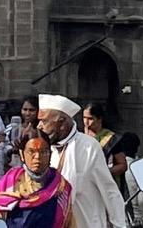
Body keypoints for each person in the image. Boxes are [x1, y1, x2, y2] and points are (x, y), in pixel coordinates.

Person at [37, 95, 125, 228]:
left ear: (62, 123)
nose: (39, 126)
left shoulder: (89, 147)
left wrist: (119, 225)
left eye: (44, 121)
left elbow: (109, 191)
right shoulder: (44, 149)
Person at [0, 131, 73, 228]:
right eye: (31, 152)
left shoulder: (60, 187)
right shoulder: (8, 183)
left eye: (43, 152)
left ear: (50, 154)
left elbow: (69, 222)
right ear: (22, 154)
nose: (37, 157)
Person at [82, 105, 125, 181]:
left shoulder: (111, 138)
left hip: (102, 182)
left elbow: (122, 165)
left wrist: (104, 173)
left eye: (90, 119)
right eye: (84, 118)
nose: (86, 122)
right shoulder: (79, 136)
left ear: (99, 119)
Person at [6, 97, 40, 167]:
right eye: (25, 110)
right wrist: (12, 150)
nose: (27, 113)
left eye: (31, 110)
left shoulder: (41, 129)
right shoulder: (12, 128)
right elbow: (4, 149)